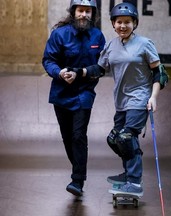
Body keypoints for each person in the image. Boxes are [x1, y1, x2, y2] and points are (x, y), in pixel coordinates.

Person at [81, 2, 168, 196]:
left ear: (134, 23)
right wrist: (80, 72)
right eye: (119, 22)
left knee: (127, 137)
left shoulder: (145, 44)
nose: (123, 26)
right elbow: (100, 69)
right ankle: (129, 172)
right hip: (121, 101)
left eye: (127, 22)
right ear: (113, 24)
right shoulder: (111, 45)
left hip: (140, 98)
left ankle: (135, 182)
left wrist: (153, 97)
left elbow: (159, 74)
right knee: (115, 139)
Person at [42, 0, 105, 197]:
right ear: (73, 12)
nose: (84, 14)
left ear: (92, 13)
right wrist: (59, 73)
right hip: (61, 94)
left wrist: (83, 73)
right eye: (80, 11)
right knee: (68, 138)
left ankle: (77, 180)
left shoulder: (97, 35)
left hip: (84, 93)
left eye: (88, 11)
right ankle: (78, 168)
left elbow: (102, 66)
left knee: (78, 136)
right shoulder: (59, 34)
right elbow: (48, 60)